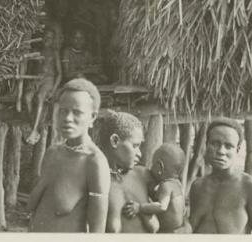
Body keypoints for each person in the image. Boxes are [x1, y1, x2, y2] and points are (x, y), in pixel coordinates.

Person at [27, 78, 110, 232]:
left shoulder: (94, 163)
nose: (67, 118)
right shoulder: (52, 153)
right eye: (63, 111)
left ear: (92, 117)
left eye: (77, 112)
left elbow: (97, 233)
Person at [189, 118, 252, 234]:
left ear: (238, 149)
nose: (221, 151)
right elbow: (192, 229)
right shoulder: (198, 186)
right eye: (215, 143)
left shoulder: (249, 186)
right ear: (206, 145)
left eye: (228, 146)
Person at [96, 110, 159, 233]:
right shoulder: (97, 182)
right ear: (115, 141)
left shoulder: (143, 176)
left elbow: (172, 207)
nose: (139, 153)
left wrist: (185, 226)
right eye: (135, 146)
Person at [123, 143, 191, 233]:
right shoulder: (177, 185)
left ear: (159, 167)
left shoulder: (166, 186)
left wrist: (139, 207)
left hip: (168, 233)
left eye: (152, 164)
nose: (150, 169)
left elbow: (161, 206)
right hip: (178, 229)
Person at [23, 28, 62, 145]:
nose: (47, 40)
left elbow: (60, 74)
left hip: (48, 80)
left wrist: (53, 89)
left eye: (50, 38)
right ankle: (34, 124)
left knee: (40, 97)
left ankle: (34, 129)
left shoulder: (55, 53)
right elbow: (30, 69)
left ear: (53, 40)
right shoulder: (37, 51)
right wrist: (30, 83)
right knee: (27, 97)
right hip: (36, 80)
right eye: (45, 37)